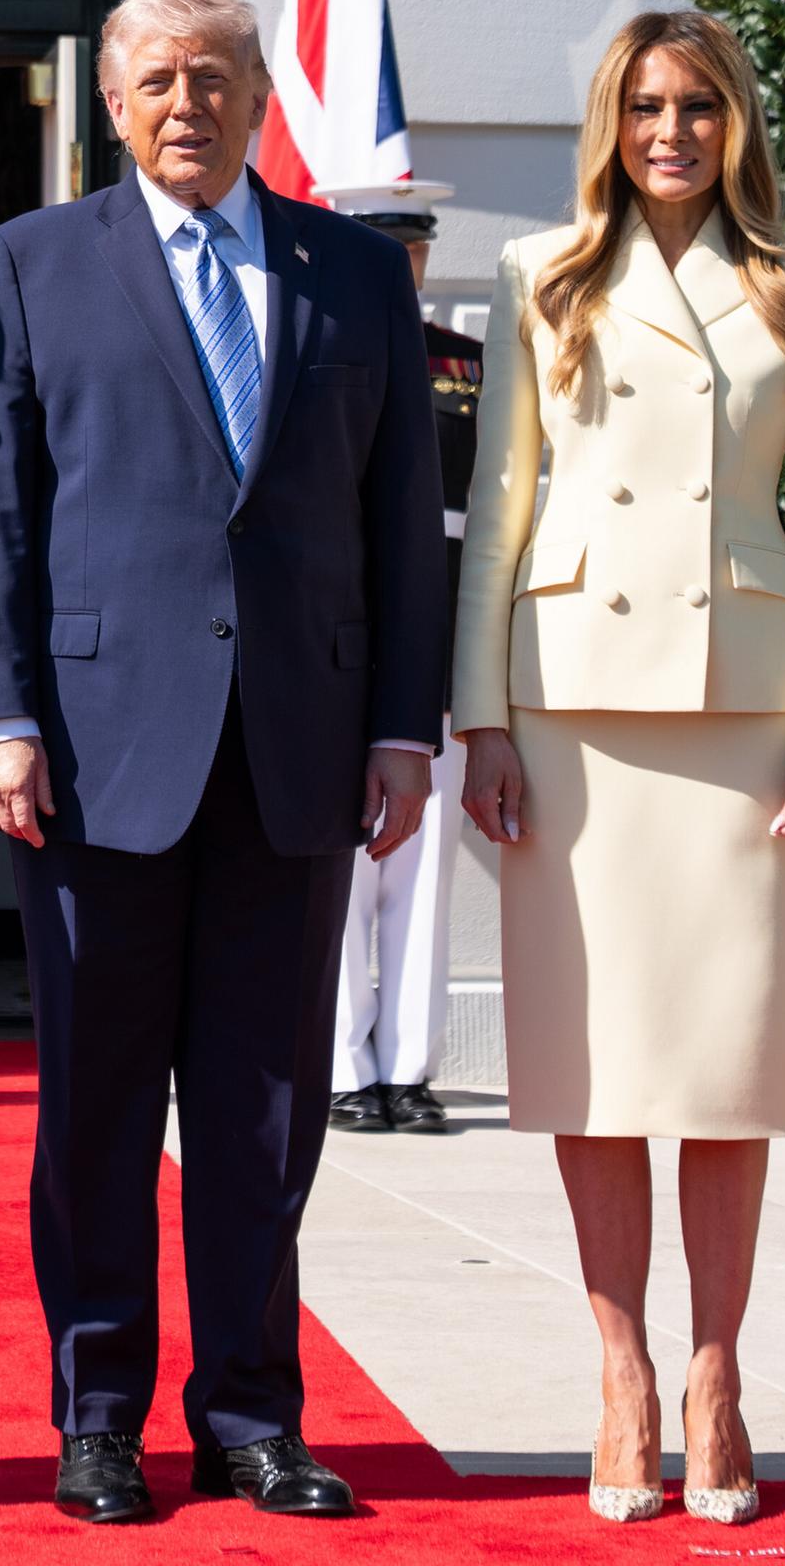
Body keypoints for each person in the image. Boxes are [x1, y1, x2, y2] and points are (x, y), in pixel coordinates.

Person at [0, 0, 446, 1523]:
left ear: (250, 98)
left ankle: (249, 1414)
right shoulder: (27, 268)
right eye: (157, 79)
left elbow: (400, 523)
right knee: (94, 1105)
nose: (186, 105)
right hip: (96, 759)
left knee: (263, 1109)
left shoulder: (356, 275)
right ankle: (97, 1416)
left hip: (298, 752)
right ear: (111, 100)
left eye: (213, 77)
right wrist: (0, 712)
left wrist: (402, 728)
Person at [453, 10, 785, 1527]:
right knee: (597, 1057)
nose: (672, 132)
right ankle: (622, 1368)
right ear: (610, 127)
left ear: (737, 121)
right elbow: (497, 512)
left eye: (697, 106)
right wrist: (479, 714)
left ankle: (717, 1370)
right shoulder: (541, 276)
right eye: (644, 109)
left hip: (746, 711)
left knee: (728, 1065)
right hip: (576, 704)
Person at [322, 180, 476, 1136]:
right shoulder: (316, 346)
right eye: (385, 242)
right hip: (336, 640)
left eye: (413, 246)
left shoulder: (466, 363)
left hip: (444, 635)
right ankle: (341, 1061)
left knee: (425, 869)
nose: (403, 261)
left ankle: (408, 1068)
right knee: (336, 870)